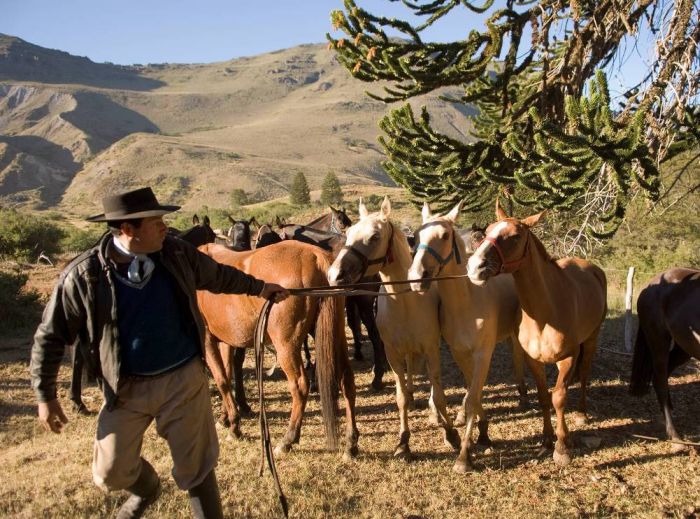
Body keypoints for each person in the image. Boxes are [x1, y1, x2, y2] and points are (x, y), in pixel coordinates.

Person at [29, 187, 289, 519]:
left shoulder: (177, 254)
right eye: (155, 222)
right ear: (128, 230)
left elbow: (219, 276)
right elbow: (50, 336)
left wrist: (261, 287)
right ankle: (148, 488)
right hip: (125, 389)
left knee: (196, 467)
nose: (165, 227)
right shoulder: (84, 275)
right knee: (110, 472)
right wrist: (45, 394)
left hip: (183, 378)